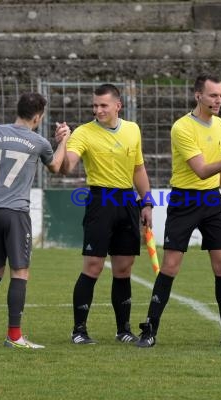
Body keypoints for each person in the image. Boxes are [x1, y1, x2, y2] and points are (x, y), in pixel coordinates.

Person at [135, 73, 221, 348]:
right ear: (198, 95)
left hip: (213, 201)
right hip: (185, 200)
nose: (218, 100)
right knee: (171, 265)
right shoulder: (182, 128)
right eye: (213, 95)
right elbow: (201, 170)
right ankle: (150, 329)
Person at [0, 92, 71, 349]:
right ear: (38, 116)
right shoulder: (39, 142)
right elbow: (56, 166)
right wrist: (64, 140)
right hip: (16, 212)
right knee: (20, 272)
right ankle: (14, 336)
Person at [61, 83, 153, 345]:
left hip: (127, 201)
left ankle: (123, 329)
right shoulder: (84, 133)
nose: (98, 110)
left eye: (103, 105)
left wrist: (147, 203)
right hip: (100, 201)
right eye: (95, 105)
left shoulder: (133, 129)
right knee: (93, 266)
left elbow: (139, 169)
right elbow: (68, 165)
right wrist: (63, 142)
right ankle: (79, 330)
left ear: (117, 106)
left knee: (124, 268)